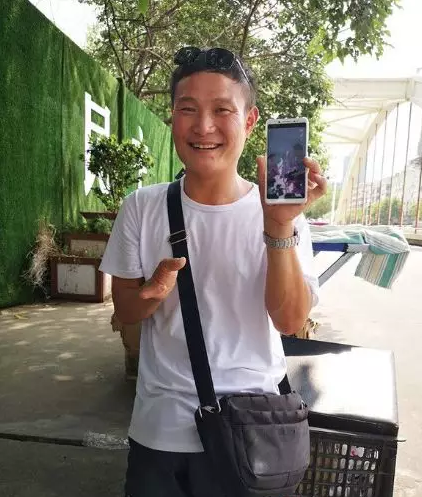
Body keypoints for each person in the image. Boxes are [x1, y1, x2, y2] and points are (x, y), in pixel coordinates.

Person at [99, 46, 327, 497]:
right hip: (161, 434)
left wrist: (279, 228)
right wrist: (151, 293)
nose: (203, 126)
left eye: (222, 110)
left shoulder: (284, 212)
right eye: (188, 109)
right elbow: (125, 311)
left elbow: (289, 320)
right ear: (173, 118)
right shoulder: (141, 207)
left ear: (249, 121)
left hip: (253, 432)